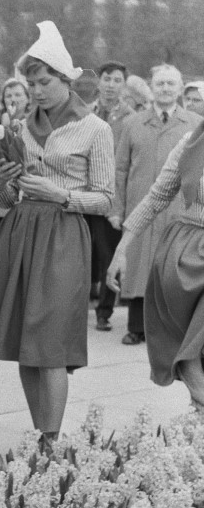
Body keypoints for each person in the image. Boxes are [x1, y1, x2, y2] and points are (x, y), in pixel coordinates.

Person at [0, 22, 115, 443]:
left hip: (64, 237)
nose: (35, 90)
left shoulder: (95, 129)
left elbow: (106, 199)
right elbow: (4, 197)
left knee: (50, 345)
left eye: (44, 81)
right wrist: (2, 179)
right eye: (30, 82)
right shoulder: (17, 126)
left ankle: (52, 440)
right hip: (20, 232)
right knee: (25, 344)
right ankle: (40, 436)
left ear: (67, 79)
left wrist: (61, 195)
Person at [108, 122, 204, 410]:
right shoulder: (191, 143)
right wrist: (121, 249)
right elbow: (156, 197)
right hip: (187, 255)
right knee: (193, 353)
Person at [109, 64, 202, 346]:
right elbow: (145, 188)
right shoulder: (190, 140)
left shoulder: (190, 121)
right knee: (140, 269)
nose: (164, 89)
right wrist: (121, 244)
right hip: (187, 243)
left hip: (179, 222)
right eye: (159, 83)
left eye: (170, 84)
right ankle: (138, 326)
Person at [90, 60, 133, 332]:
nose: (111, 85)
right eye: (107, 78)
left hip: (112, 196)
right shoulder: (85, 111)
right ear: (99, 81)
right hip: (84, 193)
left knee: (108, 254)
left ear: (123, 85)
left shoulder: (130, 118)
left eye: (117, 80)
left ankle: (104, 311)